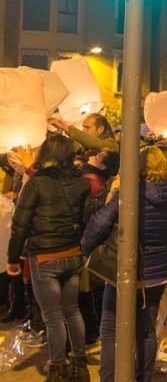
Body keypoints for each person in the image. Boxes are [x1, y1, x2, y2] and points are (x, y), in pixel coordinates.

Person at [81, 146, 167, 382]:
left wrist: (86, 248)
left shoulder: (128, 193)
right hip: (157, 274)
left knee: (111, 330)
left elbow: (98, 224)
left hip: (127, 272)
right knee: (145, 332)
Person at [7, 135, 92, 382]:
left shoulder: (36, 183)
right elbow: (86, 219)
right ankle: (80, 364)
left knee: (53, 316)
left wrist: (13, 258)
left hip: (45, 257)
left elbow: (20, 223)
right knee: (72, 310)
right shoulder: (81, 183)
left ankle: (57, 367)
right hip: (72, 254)